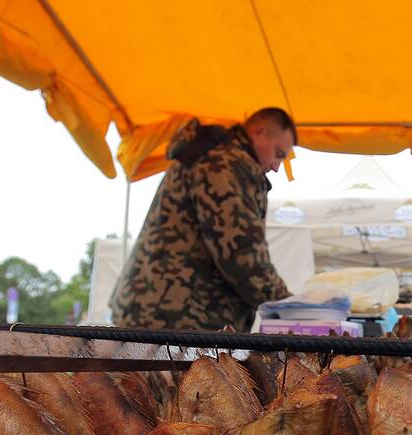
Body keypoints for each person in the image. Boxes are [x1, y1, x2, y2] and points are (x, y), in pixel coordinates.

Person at [109, 107, 295, 331]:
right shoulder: (224, 164)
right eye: (278, 154)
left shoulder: (217, 157)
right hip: (171, 319)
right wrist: (291, 308)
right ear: (258, 132)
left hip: (160, 310)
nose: (276, 167)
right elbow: (241, 253)